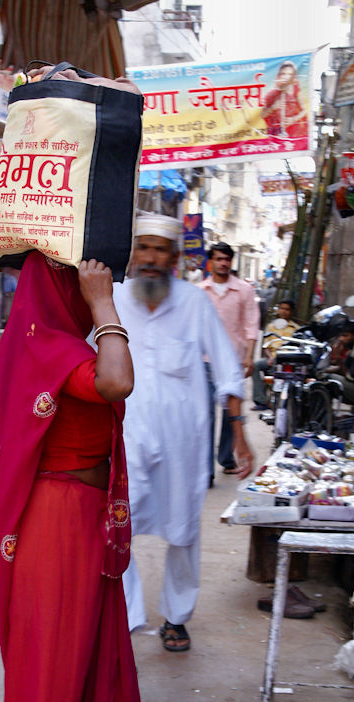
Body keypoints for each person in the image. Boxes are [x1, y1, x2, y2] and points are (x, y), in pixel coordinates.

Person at [0, 249, 185, 702]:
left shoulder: (47, 342)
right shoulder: (53, 346)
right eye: (83, 279)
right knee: (57, 656)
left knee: (98, 649)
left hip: (81, 514)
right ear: (60, 288)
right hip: (60, 518)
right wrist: (105, 307)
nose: (95, 284)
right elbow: (117, 381)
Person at [113, 215, 253, 650]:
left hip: (183, 442)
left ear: (174, 258)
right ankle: (126, 612)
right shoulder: (112, 299)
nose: (150, 259)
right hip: (125, 435)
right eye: (144, 248)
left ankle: (177, 616)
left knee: (184, 527)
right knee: (117, 522)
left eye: (160, 250)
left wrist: (240, 433)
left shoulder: (194, 303)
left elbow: (229, 371)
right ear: (133, 254)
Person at [197, 242, 259, 476]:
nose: (223, 263)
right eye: (219, 259)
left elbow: (251, 325)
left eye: (227, 259)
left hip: (233, 360)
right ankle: (205, 470)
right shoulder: (199, 291)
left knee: (230, 413)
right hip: (204, 360)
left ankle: (226, 458)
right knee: (206, 414)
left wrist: (250, 357)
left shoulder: (244, 290)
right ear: (210, 262)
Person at [251, 299, 300, 410]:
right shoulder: (271, 327)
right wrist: (270, 357)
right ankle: (261, 401)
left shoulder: (296, 329)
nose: (284, 311)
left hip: (288, 359)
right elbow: (266, 346)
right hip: (273, 357)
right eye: (282, 308)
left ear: (291, 312)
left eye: (287, 309)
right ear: (278, 310)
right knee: (255, 365)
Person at [262, 60, 309, 139]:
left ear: (293, 76)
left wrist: (293, 119)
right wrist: (273, 107)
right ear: (279, 75)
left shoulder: (295, 90)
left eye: (289, 74)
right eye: (283, 74)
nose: (286, 77)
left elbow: (304, 110)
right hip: (276, 133)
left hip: (294, 132)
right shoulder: (271, 93)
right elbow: (262, 115)